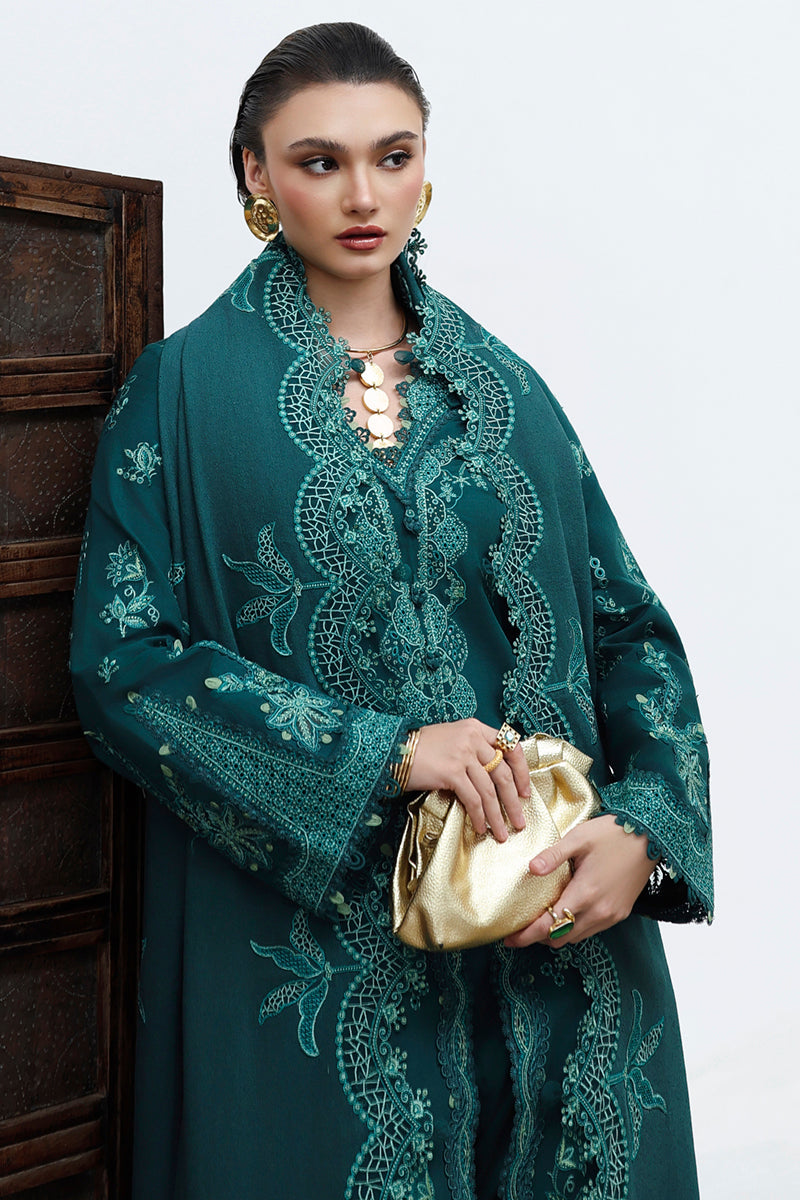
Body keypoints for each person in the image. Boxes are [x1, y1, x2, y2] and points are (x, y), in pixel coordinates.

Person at [70, 22, 712, 1200]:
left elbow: (629, 632)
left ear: (425, 164)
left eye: (393, 155)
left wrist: (641, 830)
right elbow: (123, 665)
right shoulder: (180, 395)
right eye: (318, 162)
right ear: (256, 175)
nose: (363, 196)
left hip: (551, 926)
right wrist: (386, 753)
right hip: (312, 949)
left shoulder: (506, 389)